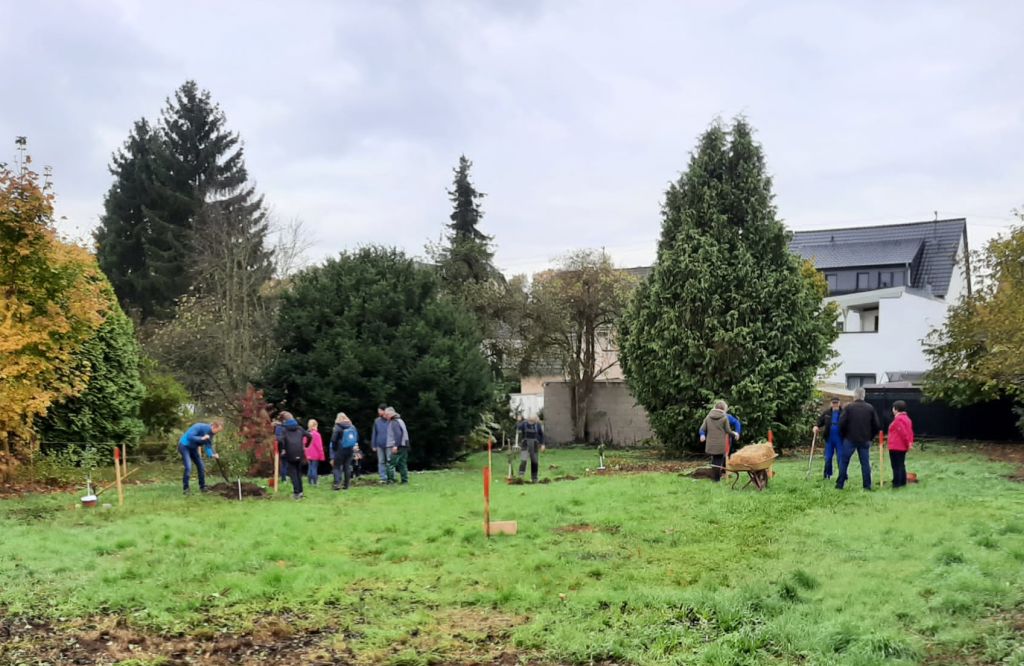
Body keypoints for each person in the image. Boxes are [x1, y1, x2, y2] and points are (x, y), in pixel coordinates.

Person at [837, 387, 882, 490]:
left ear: (855, 395)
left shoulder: (849, 408)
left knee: (844, 462)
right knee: (865, 463)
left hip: (849, 439)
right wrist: (870, 437)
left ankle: (840, 484)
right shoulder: (870, 408)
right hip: (865, 439)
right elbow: (877, 425)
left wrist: (844, 435)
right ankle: (867, 486)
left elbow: (841, 424)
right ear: (864, 396)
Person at [178, 420, 223, 495]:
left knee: (201, 466)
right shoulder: (199, 426)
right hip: (184, 446)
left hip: (193, 448)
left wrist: (212, 454)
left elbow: (208, 446)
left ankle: (203, 487)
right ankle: (186, 489)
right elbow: (190, 437)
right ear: (214, 427)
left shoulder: (211, 434)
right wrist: (201, 438)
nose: (217, 433)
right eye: (218, 431)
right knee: (188, 467)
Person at [700, 401, 739, 482]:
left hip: (710, 444)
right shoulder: (724, 418)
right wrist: (735, 434)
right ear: (724, 409)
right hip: (721, 444)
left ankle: (716, 476)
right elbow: (728, 431)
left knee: (715, 459)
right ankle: (716, 479)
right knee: (718, 460)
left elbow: (702, 429)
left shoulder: (708, 417)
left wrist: (702, 435)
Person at [276, 412, 311, 499]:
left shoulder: (284, 430)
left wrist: (282, 449)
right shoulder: (299, 428)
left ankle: (296, 493)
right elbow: (309, 436)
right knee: (299, 473)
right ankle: (301, 492)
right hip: (300, 452)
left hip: (290, 453)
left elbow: (280, 440)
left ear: (284, 420)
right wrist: (306, 445)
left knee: (293, 474)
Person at [813, 397, 844, 480]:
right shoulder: (827, 413)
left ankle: (842, 476)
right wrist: (816, 426)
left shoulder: (844, 413)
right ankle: (827, 474)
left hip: (840, 439)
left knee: (841, 458)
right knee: (828, 458)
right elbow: (819, 421)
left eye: (836, 403)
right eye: (833, 403)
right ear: (831, 404)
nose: (835, 405)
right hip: (829, 438)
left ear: (839, 403)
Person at [887, 400, 914, 488]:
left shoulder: (898, 419)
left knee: (895, 465)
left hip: (896, 446)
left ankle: (896, 483)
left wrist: (908, 443)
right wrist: (909, 443)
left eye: (893, 408)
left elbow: (903, 433)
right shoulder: (908, 419)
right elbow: (910, 432)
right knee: (901, 464)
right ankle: (902, 482)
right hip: (902, 446)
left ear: (895, 409)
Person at [329, 412, 359, 490]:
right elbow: (356, 437)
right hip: (350, 449)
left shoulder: (338, 427)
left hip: (340, 449)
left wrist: (334, 449)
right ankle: (346, 485)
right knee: (347, 466)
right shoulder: (352, 426)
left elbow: (333, 439)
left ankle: (337, 484)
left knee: (337, 466)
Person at [385, 407, 411, 485]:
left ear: (391, 413)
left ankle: (390, 481)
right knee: (402, 463)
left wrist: (396, 445)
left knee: (390, 463)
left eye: (387, 414)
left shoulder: (394, 422)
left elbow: (398, 434)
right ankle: (405, 481)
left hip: (398, 445)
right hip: (405, 444)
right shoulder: (400, 420)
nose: (386, 416)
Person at [516, 416, 545, 483]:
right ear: (529, 420)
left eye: (534, 421)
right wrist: (518, 421)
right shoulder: (524, 424)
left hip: (534, 445)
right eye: (532, 421)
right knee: (523, 460)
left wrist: (543, 444)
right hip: (525, 444)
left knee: (535, 462)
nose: (533, 423)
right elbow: (518, 428)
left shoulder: (538, 425)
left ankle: (534, 478)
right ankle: (520, 477)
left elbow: (542, 435)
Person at [371, 404, 393, 484]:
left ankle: (391, 477)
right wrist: (373, 444)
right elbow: (374, 433)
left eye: (379, 411)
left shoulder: (390, 420)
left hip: (389, 444)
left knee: (389, 461)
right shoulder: (376, 421)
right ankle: (383, 478)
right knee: (381, 461)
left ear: (384, 411)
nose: (378, 412)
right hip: (379, 444)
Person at [304, 419, 326, 485]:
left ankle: (309, 482)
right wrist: (322, 455)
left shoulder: (306, 434)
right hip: (315, 454)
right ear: (315, 425)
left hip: (308, 453)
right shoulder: (317, 434)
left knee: (310, 467)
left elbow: (304, 444)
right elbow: (319, 446)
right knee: (314, 468)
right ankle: (315, 482)